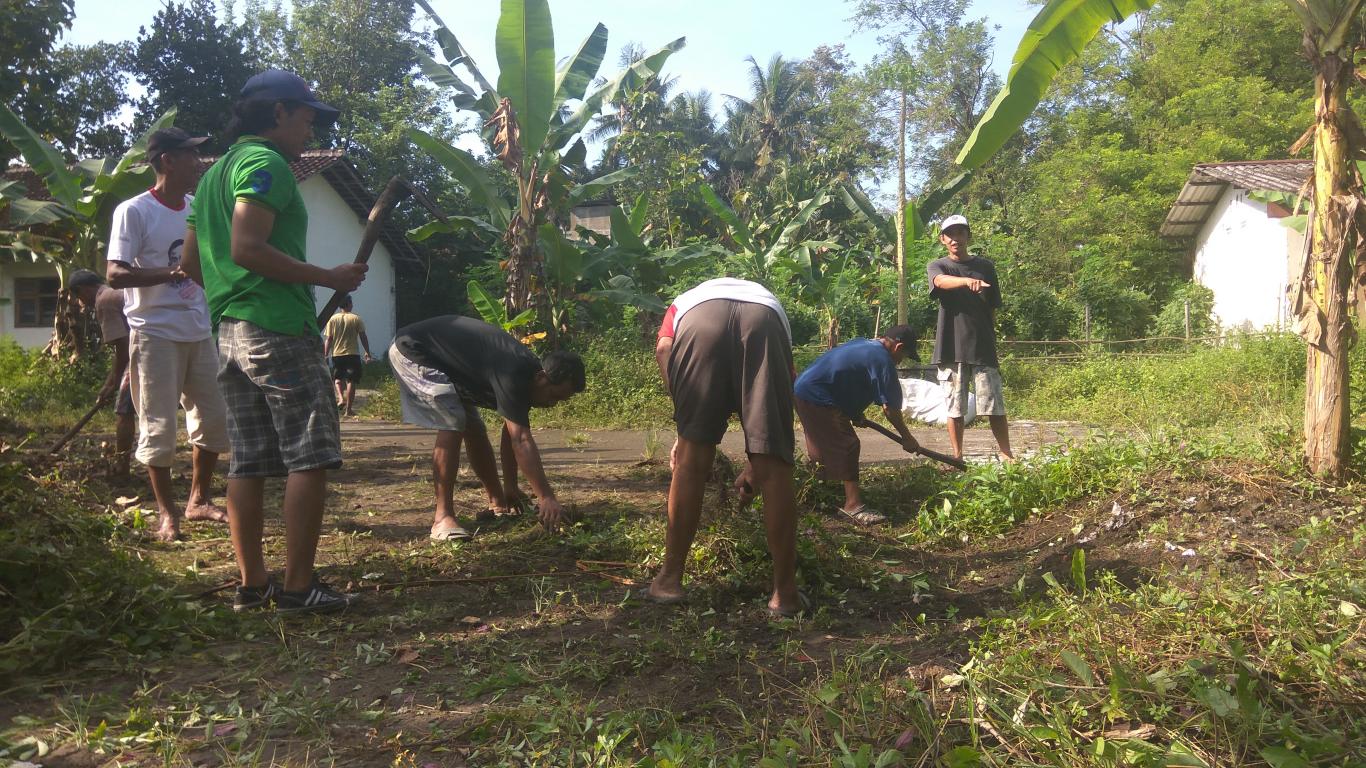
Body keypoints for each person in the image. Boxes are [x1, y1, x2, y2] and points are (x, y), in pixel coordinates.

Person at [180, 70, 368, 614]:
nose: (311, 126)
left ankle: (252, 584)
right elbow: (247, 246)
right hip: (278, 328)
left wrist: (233, 295)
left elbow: (192, 263)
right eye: (307, 115)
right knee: (309, 455)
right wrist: (326, 277)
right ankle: (298, 587)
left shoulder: (214, 175)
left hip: (230, 333)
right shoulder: (266, 165)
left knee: (249, 461)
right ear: (279, 112)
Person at [645, 278, 804, 617]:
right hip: (764, 322)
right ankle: (784, 594)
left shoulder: (686, 300)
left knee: (690, 463)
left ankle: (669, 581)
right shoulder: (767, 302)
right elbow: (786, 382)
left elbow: (662, 349)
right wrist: (757, 465)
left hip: (699, 322)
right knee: (775, 469)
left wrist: (685, 424)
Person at [106, 127, 231, 542]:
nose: (198, 162)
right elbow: (116, 273)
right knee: (158, 427)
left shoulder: (195, 207)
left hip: (198, 329)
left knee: (213, 420)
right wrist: (174, 272)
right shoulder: (135, 211)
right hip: (154, 331)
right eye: (190, 155)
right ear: (166, 161)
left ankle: (198, 501)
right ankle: (167, 514)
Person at [388, 315, 586, 541]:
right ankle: (442, 518)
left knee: (473, 428)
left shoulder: (529, 376)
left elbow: (511, 433)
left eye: (560, 401)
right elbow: (521, 441)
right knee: (453, 422)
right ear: (543, 377)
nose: (552, 404)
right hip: (414, 350)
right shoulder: (513, 373)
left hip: (447, 362)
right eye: (554, 396)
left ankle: (498, 501)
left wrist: (511, 486)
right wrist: (546, 497)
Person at [793, 326, 921, 525]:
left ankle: (813, 492)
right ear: (899, 347)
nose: (901, 361)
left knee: (821, 446)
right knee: (848, 445)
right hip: (818, 395)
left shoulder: (864, 343)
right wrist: (907, 437)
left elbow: (849, 378)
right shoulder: (883, 360)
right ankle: (853, 506)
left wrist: (853, 412)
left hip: (804, 389)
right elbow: (891, 409)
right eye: (904, 356)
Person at [927, 215, 1014, 462]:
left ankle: (1007, 453)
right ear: (943, 239)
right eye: (950, 234)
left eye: (960, 233)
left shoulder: (986, 266)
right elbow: (939, 282)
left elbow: (993, 307)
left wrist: (991, 336)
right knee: (955, 408)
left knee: (994, 405)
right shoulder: (938, 265)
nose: (956, 238)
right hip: (950, 348)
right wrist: (966, 281)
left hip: (983, 347)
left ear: (968, 236)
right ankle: (958, 456)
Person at [68, 270, 135, 479]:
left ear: (83, 290)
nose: (81, 303)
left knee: (124, 411)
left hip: (142, 354)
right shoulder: (117, 293)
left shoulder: (104, 301)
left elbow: (123, 349)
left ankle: (122, 470)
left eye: (78, 297)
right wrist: (110, 382)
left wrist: (113, 384)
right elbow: (121, 351)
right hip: (160, 346)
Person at [323, 295, 372, 416]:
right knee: (351, 380)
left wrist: (325, 354)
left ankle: (340, 398)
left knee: (337, 378)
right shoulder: (356, 318)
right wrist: (367, 352)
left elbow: (329, 339)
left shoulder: (333, 319)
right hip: (352, 354)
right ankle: (348, 410)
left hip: (337, 354)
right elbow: (363, 336)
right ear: (349, 303)